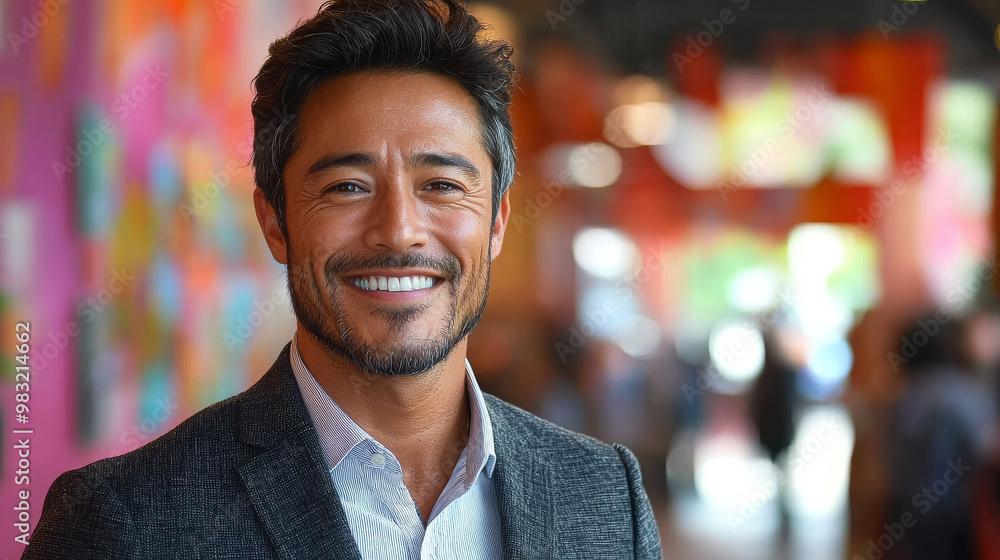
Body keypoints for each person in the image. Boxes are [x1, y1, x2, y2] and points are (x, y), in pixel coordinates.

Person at [23, 1, 662, 558]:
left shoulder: (606, 500)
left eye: (441, 185)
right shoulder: (123, 524)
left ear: (495, 222)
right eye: (347, 187)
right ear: (275, 221)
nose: (399, 231)